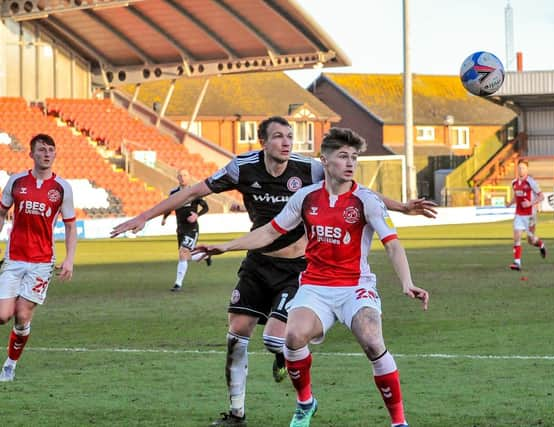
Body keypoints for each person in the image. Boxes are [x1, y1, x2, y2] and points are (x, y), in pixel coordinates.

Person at [110, 117, 436, 427]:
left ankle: (391, 417)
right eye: (279, 136)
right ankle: (243, 411)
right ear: (262, 141)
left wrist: (403, 209)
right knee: (241, 332)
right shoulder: (249, 170)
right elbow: (199, 195)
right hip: (268, 264)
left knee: (295, 339)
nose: (286, 142)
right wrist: (147, 217)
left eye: (290, 136)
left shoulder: (311, 170)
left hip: (308, 270)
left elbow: (362, 195)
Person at [194, 127, 430, 427]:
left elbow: (393, 244)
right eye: (343, 156)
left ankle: (399, 422)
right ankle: (306, 403)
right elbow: (268, 232)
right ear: (325, 160)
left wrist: (407, 283)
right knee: (292, 337)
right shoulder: (305, 197)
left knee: (372, 340)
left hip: (355, 287)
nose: (350, 163)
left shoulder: (368, 201)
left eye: (354, 157)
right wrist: (226, 246)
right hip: (315, 286)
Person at [0, 133, 77, 382]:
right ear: (31, 153)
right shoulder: (16, 181)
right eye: (41, 149)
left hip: (42, 262)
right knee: (2, 315)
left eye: (51, 150)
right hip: (14, 258)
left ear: (55, 154)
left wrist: (69, 259)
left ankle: (10, 365)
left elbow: (70, 226)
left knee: (22, 314)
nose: (46, 154)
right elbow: (1, 212)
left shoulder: (62, 188)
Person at [161, 169, 210, 292]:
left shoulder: (195, 192)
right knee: (185, 255)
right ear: (177, 178)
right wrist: (164, 218)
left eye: (185, 175)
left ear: (189, 177)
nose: (182, 178)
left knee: (183, 253)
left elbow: (206, 207)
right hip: (181, 228)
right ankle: (204, 255)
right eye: (180, 175)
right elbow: (169, 207)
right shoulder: (174, 193)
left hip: (192, 228)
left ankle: (178, 284)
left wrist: (197, 215)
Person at [509, 159, 546, 271]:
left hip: (530, 215)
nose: (521, 170)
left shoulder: (531, 182)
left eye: (523, 168)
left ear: (527, 169)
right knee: (517, 237)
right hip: (519, 214)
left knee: (530, 240)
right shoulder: (514, 182)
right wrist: (509, 203)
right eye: (519, 167)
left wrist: (530, 203)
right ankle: (517, 263)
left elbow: (541, 197)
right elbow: (516, 196)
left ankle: (541, 244)